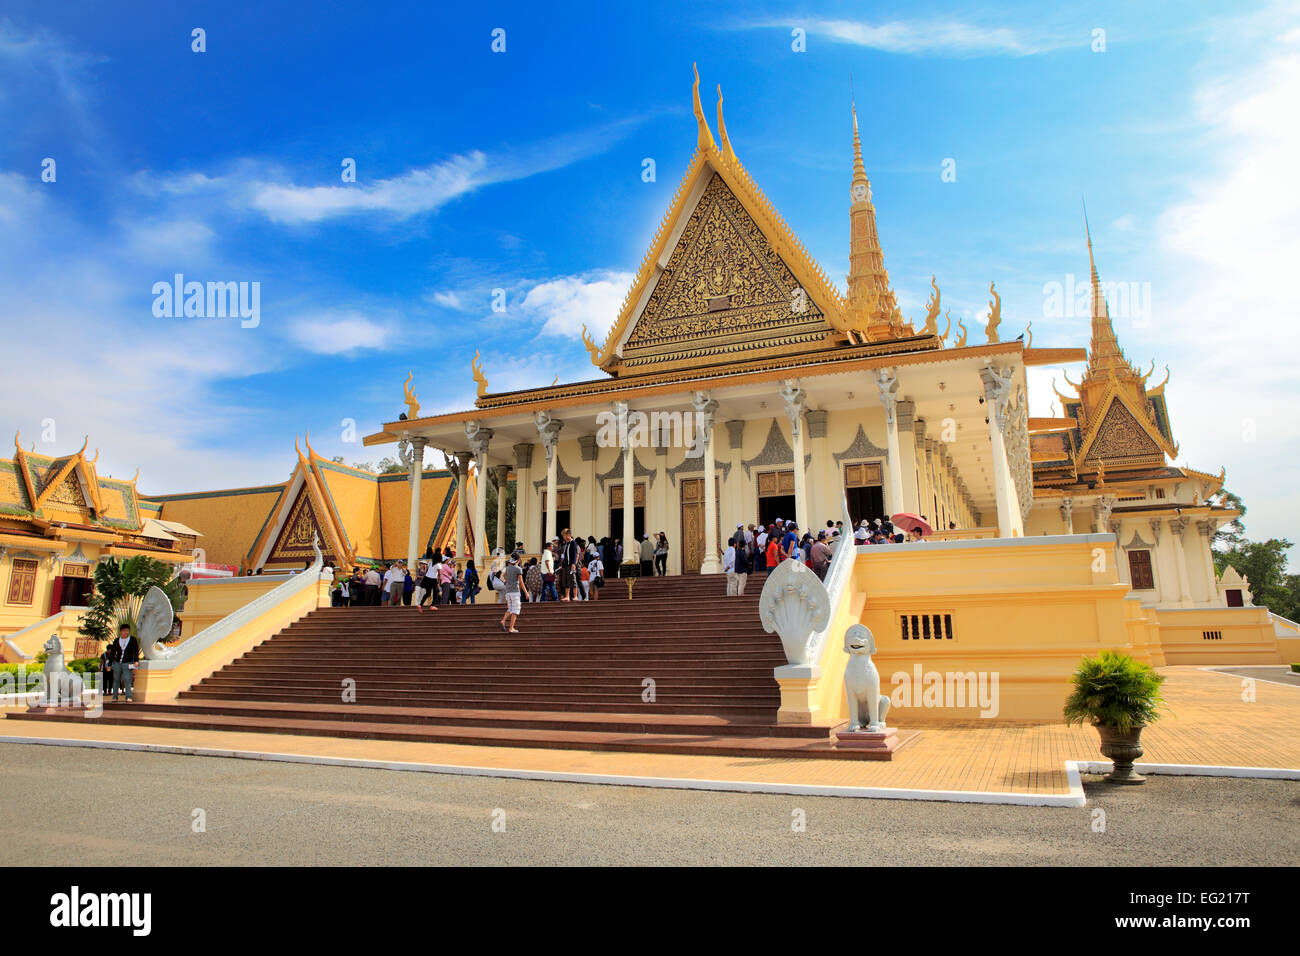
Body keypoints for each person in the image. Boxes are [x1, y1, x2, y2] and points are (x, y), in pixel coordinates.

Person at [109, 623, 140, 702]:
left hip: (128, 663)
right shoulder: (117, 640)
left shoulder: (132, 640)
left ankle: (128, 696)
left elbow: (135, 651)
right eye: (124, 631)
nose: (125, 632)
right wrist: (109, 664)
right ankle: (115, 696)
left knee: (127, 679)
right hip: (117, 663)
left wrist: (136, 660)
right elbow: (113, 653)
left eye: (127, 631)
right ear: (120, 632)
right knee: (116, 680)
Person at [498, 552, 528, 633]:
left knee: (510, 609)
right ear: (518, 559)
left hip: (508, 591)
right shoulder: (518, 569)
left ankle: (503, 621)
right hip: (515, 591)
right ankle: (511, 628)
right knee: (516, 610)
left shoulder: (507, 568)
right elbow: (521, 582)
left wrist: (505, 581)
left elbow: (501, 576)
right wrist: (526, 592)